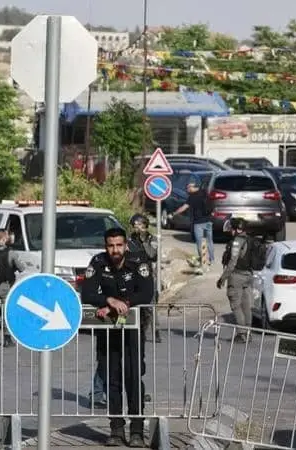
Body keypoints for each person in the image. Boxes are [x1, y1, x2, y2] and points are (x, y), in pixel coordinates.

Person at [81, 227, 154, 447]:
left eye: (119, 245)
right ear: (106, 246)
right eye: (111, 246)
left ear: (125, 245)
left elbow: (146, 292)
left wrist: (126, 303)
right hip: (108, 331)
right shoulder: (98, 263)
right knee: (112, 379)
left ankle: (137, 431)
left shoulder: (138, 262)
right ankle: (116, 430)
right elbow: (88, 293)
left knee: (133, 378)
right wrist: (109, 301)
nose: (115, 250)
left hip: (133, 330)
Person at [216, 218, 263, 344]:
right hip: (248, 276)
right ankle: (248, 333)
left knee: (236, 306)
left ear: (237, 229)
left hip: (237, 276)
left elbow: (232, 262)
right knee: (246, 305)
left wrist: (223, 278)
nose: (230, 231)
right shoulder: (250, 240)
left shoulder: (237, 242)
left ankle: (241, 334)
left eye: (231, 229)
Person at [127, 214, 161, 343]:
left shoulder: (151, 239)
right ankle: (139, 330)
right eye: (134, 226)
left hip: (147, 275)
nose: (137, 228)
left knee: (150, 305)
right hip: (133, 275)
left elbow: (152, 254)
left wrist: (144, 241)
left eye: (139, 225)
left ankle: (156, 331)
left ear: (145, 226)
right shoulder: (130, 239)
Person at [172, 178, 214, 271]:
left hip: (198, 223)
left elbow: (184, 207)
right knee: (209, 241)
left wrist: (175, 213)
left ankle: (203, 260)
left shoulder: (192, 197)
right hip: (208, 221)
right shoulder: (204, 192)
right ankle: (211, 259)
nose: (187, 189)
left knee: (199, 242)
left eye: (188, 187)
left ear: (192, 187)